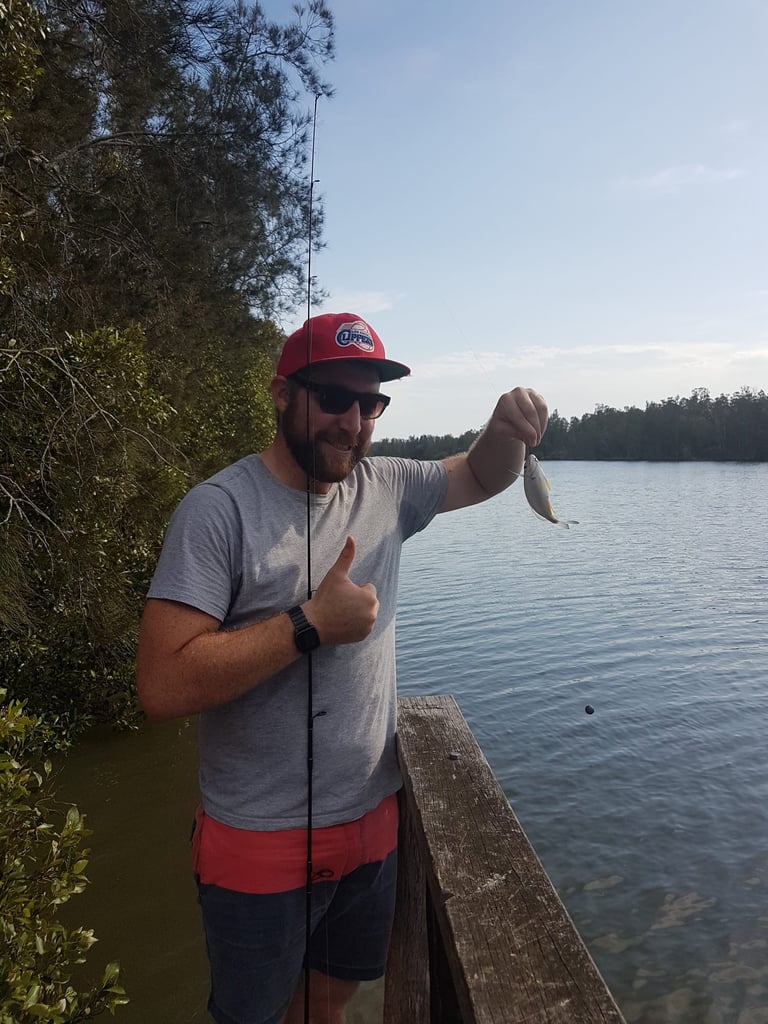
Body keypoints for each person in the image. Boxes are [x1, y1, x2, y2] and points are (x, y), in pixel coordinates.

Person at [136, 311, 547, 1024]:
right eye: (333, 397)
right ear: (280, 393)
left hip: (370, 827)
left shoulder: (387, 486)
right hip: (255, 844)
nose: (352, 422)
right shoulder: (217, 512)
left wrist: (506, 433)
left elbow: (481, 475)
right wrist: (308, 625)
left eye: (370, 404)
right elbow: (162, 684)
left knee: (328, 998)